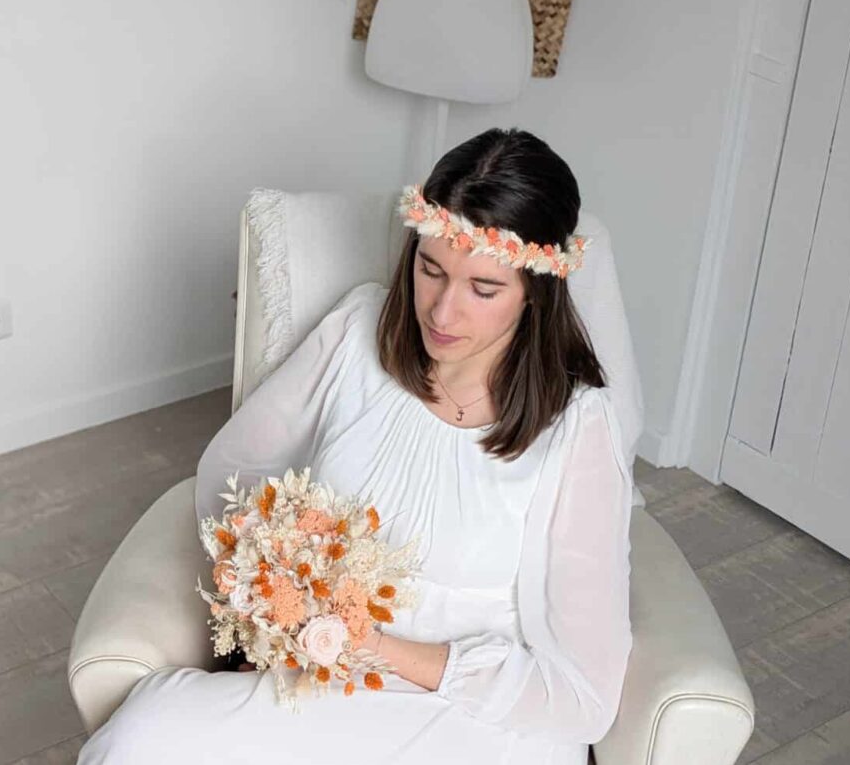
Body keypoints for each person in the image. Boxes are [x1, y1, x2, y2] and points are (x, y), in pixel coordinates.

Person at [76, 127, 635, 765]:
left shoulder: (578, 429)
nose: (443, 313)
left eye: (483, 289)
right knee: (141, 738)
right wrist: (278, 578)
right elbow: (232, 472)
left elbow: (585, 694)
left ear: (536, 291)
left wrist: (372, 645)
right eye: (430, 270)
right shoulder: (357, 332)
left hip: (480, 719)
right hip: (326, 683)